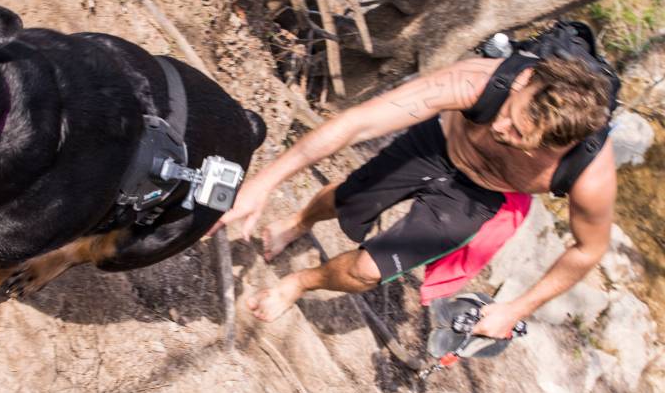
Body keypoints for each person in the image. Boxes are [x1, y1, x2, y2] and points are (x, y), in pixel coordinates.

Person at [211, 56, 616, 339]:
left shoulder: (587, 174)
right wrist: (264, 182)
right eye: (510, 113)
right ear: (525, 79)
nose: (502, 129)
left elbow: (587, 249)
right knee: (349, 198)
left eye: (520, 138)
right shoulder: (475, 82)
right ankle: (301, 221)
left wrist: (516, 309)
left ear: (559, 146)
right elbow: (360, 122)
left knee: (370, 271)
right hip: (438, 144)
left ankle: (300, 283)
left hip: (479, 195)